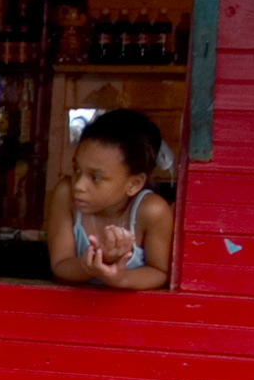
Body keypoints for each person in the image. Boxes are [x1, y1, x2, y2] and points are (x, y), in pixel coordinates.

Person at [46, 109, 176, 289]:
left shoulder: (152, 211)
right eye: (76, 170)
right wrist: (96, 264)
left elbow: (159, 272)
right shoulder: (66, 195)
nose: (79, 185)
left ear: (134, 184)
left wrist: (119, 279)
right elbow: (60, 264)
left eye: (95, 177)